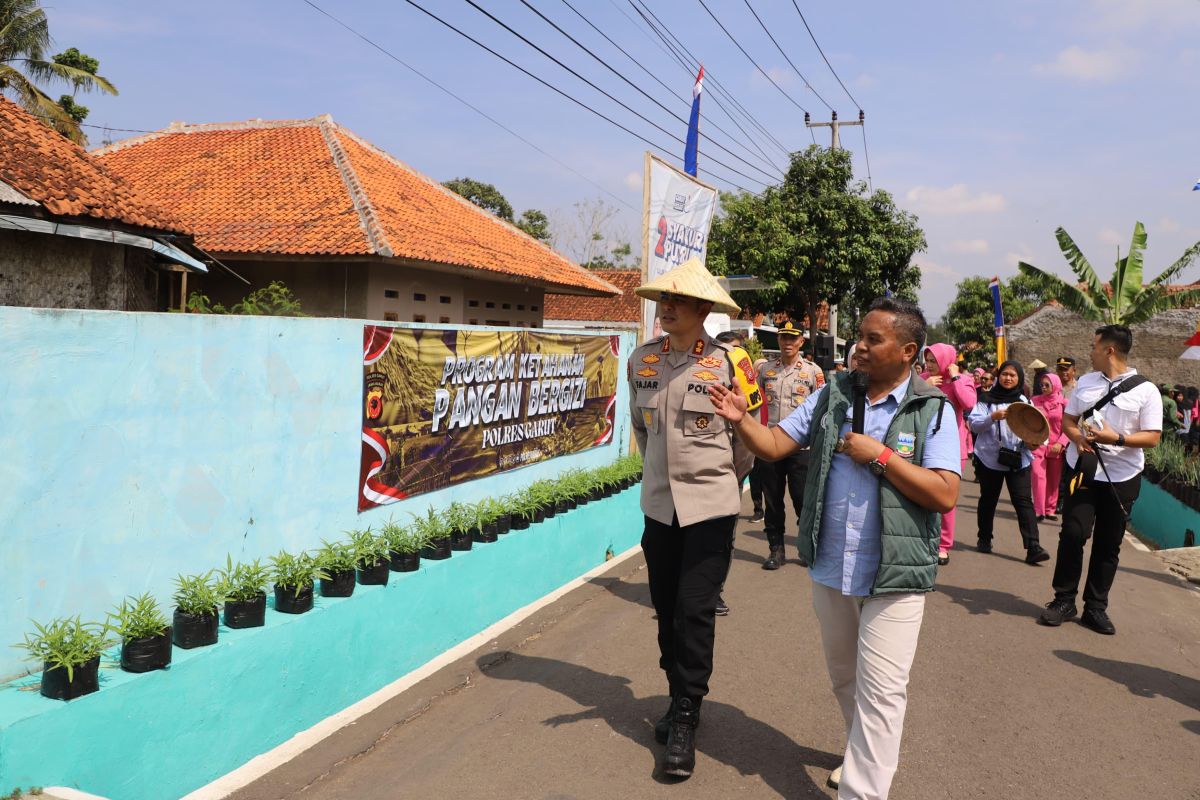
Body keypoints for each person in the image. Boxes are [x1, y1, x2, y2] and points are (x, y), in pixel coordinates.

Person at [709, 296, 960, 799]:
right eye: (860, 337)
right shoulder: (834, 395)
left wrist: (882, 456)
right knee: (846, 679)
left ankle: (863, 791)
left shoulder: (932, 410)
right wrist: (741, 419)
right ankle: (861, 751)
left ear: (908, 351)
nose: (859, 347)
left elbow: (944, 492)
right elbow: (777, 443)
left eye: (873, 339)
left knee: (883, 692)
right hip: (832, 564)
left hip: (895, 572)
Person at [628, 257, 760, 778]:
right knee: (664, 607)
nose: (666, 308)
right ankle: (675, 689)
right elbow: (643, 433)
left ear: (703, 308)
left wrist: (726, 488)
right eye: (664, 299)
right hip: (659, 508)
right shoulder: (642, 360)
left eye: (678, 300)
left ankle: (687, 712)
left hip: (710, 508)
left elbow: (748, 439)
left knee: (694, 610)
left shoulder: (733, 363)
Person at [1039, 325, 1161, 635]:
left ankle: (1095, 607)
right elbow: (1069, 421)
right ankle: (1063, 601)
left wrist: (1115, 438)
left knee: (1108, 544)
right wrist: (1078, 437)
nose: (1089, 351)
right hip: (1084, 468)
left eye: (1094, 346)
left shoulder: (1146, 390)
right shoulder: (1086, 383)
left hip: (1122, 476)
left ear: (1110, 350)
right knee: (1072, 533)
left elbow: (1152, 438)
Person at [967, 361, 1051, 564]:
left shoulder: (1024, 401)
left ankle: (1033, 547)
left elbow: (1037, 428)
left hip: (1018, 459)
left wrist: (1034, 443)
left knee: (1023, 502)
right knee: (988, 499)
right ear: (998, 376)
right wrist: (991, 417)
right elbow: (973, 424)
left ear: (1019, 378)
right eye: (1005, 374)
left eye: (1013, 375)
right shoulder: (986, 399)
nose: (1008, 378)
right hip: (990, 459)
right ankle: (984, 539)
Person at [757, 321, 824, 570]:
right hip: (770, 443)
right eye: (783, 337)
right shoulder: (766, 370)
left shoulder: (812, 371)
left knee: (802, 500)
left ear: (800, 342)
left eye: (792, 338)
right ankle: (776, 550)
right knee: (772, 501)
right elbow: (756, 405)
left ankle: (806, 547)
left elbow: (820, 410)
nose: (787, 342)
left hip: (800, 448)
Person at [921, 343, 976, 564]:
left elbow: (969, 403)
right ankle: (923, 539)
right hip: (924, 443)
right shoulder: (923, 378)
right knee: (920, 494)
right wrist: (924, 386)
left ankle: (943, 545)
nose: (929, 365)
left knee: (945, 498)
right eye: (928, 360)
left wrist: (955, 378)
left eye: (934, 360)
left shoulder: (962, 380)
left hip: (952, 448)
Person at [1031, 372, 1068, 521]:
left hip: (1056, 446)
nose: (1044, 387)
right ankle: (1038, 510)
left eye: (1047, 385)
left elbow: (1070, 425)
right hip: (1037, 444)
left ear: (1056, 385)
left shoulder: (1064, 403)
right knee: (1037, 475)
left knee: (1054, 479)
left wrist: (1062, 442)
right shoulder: (1034, 401)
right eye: (1042, 385)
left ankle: (1050, 509)